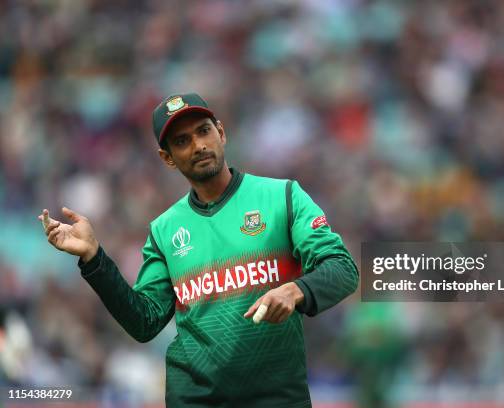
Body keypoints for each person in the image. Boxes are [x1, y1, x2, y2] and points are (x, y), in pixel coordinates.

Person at [39, 93, 359, 408]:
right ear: (167, 157)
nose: (198, 146)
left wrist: (296, 291)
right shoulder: (164, 230)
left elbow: (344, 269)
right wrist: (94, 258)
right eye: (181, 141)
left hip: (277, 397)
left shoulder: (282, 196)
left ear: (221, 132)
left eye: (203, 131)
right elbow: (144, 322)